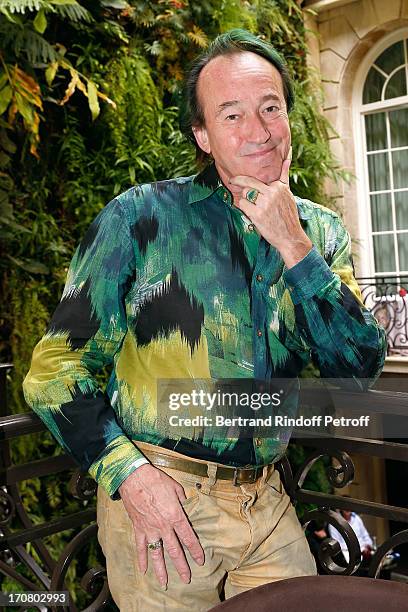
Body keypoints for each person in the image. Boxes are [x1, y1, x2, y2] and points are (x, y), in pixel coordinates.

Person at [23, 29, 386, 611]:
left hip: (268, 504)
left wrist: (294, 247)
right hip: (164, 501)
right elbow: (55, 370)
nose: (260, 131)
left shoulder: (318, 233)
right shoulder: (141, 218)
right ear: (203, 135)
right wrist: (133, 480)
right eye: (233, 114)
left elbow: (357, 372)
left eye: (271, 108)